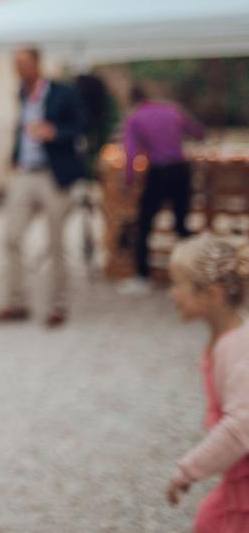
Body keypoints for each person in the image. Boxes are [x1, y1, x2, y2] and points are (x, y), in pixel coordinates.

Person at [0, 47, 87, 328]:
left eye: (23, 64)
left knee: (56, 243)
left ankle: (58, 305)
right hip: (24, 173)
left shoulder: (62, 92)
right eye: (15, 64)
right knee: (11, 237)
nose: (19, 69)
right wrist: (14, 157)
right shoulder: (21, 93)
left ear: (37, 64)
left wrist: (55, 132)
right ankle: (16, 301)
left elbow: (82, 124)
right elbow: (20, 127)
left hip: (53, 175)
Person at [165, 233, 249, 530]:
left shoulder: (236, 347)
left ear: (212, 294)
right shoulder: (226, 340)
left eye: (178, 284)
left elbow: (241, 426)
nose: (171, 293)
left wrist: (189, 470)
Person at [119, 84, 206, 295]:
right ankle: (192, 277)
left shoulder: (134, 118)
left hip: (158, 172)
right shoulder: (172, 110)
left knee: (145, 225)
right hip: (181, 170)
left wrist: (128, 182)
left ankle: (142, 277)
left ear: (132, 101)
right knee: (182, 225)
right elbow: (198, 133)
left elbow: (131, 155)